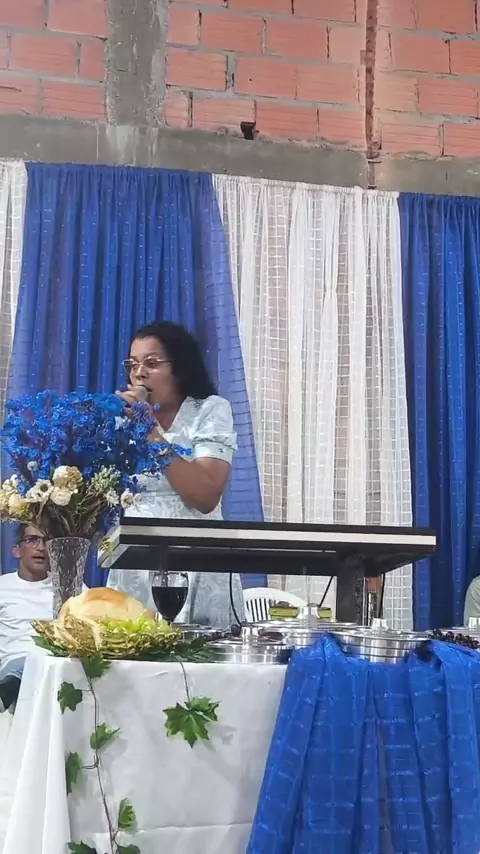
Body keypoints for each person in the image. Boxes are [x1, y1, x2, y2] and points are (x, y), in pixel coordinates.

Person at [107, 321, 245, 626]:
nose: (139, 373)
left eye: (151, 363)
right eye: (132, 365)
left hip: (197, 561)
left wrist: (151, 432)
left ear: (180, 369)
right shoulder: (123, 420)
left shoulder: (209, 410)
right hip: (137, 564)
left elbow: (205, 496)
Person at [0, 524, 52, 712]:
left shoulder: (67, 585)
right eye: (32, 540)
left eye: (46, 541)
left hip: (56, 665)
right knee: (29, 663)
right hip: (13, 663)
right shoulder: (3, 586)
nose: (41, 548)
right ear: (17, 550)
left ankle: (5, 694)